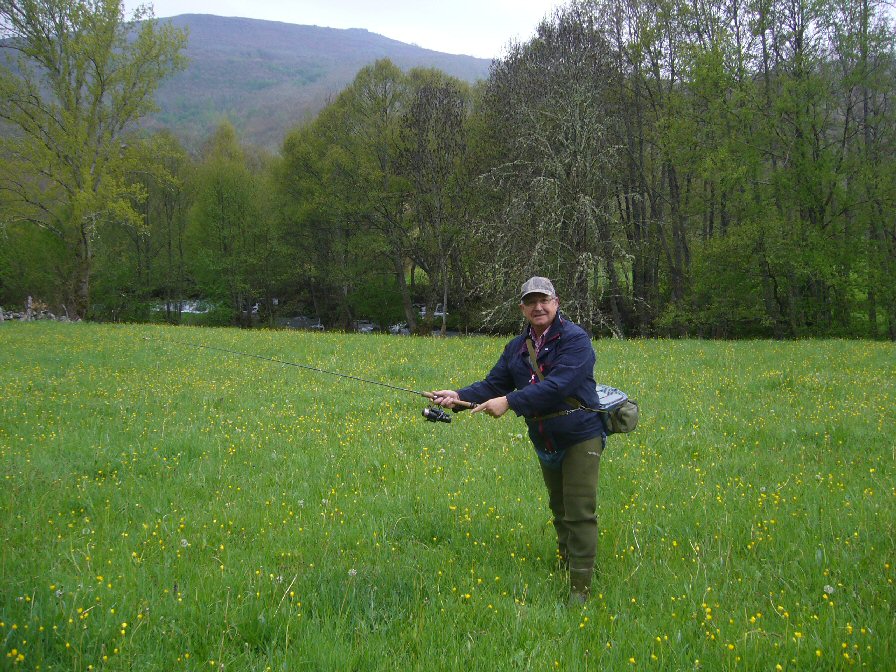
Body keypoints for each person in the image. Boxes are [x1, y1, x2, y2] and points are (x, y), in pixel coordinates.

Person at [431, 276, 606, 605]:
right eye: (531, 301)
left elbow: (558, 385)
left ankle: (579, 589)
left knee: (579, 511)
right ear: (522, 308)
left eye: (544, 300)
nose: (538, 307)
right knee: (559, 507)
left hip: (580, 434)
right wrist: (456, 396)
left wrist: (510, 402)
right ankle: (567, 563)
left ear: (556, 303)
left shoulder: (575, 339)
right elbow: (492, 384)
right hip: (544, 437)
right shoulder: (516, 347)